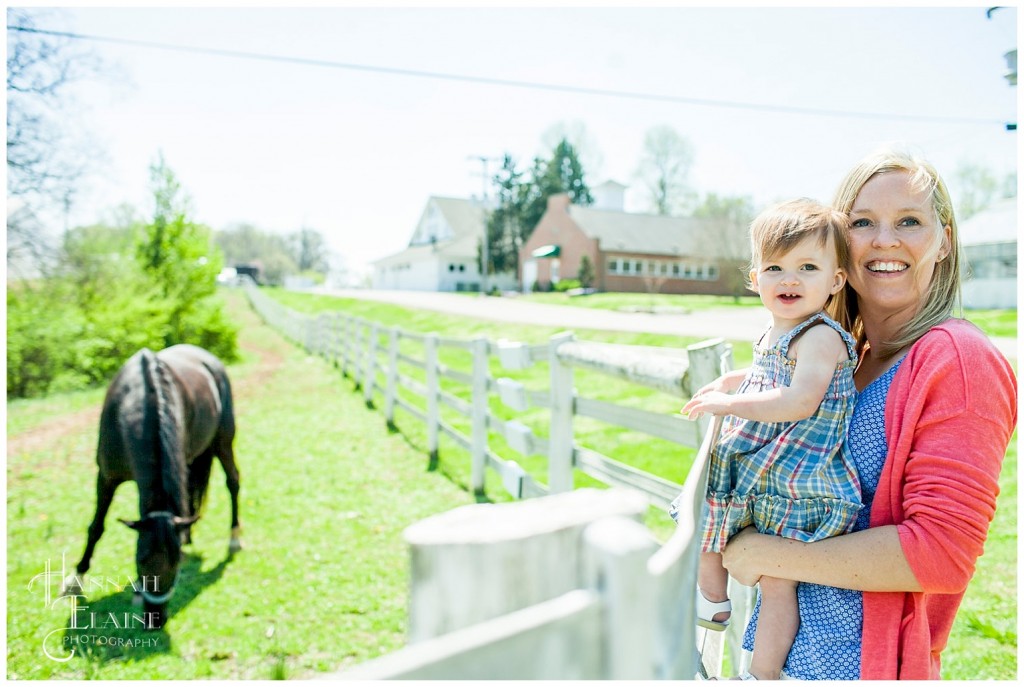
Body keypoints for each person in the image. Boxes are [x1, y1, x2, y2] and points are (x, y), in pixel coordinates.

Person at [720, 148, 1017, 680]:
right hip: (782, 655)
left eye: (909, 221)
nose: (885, 240)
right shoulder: (845, 357)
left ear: (943, 241)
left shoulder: (958, 359)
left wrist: (768, 554)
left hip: (856, 668)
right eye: (862, 222)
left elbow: (942, 553)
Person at [672, 198, 862, 680]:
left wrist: (728, 406)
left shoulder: (820, 337)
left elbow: (798, 400)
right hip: (766, 468)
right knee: (708, 516)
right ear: (755, 277)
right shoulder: (777, 332)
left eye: (807, 267)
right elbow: (764, 373)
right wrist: (729, 382)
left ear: (835, 280)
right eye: (775, 267)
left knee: (779, 583)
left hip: (799, 477)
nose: (789, 279)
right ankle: (712, 604)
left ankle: (762, 673)